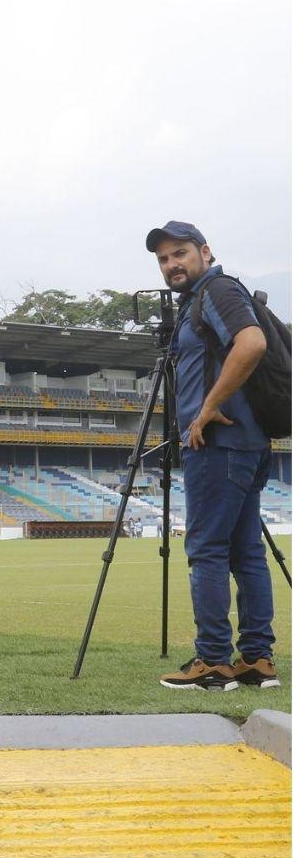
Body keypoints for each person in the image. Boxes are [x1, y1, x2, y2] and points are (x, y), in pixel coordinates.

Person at [147, 221, 278, 691]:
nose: (171, 265)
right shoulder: (209, 297)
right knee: (246, 553)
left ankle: (213, 662)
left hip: (219, 444)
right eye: (163, 259)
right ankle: (257, 662)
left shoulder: (216, 291)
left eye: (179, 253)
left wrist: (206, 407)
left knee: (206, 551)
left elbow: (253, 342)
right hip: (246, 444)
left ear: (204, 251)